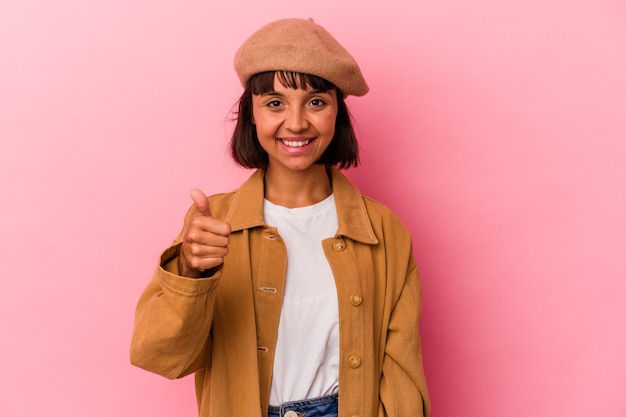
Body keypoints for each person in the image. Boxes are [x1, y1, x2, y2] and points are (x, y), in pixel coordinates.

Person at [130, 18, 430, 417]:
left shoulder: (383, 231)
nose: (296, 122)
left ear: (337, 112)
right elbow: (161, 356)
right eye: (275, 103)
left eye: (316, 102)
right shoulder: (212, 224)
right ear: (251, 115)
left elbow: (402, 376)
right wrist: (190, 271)